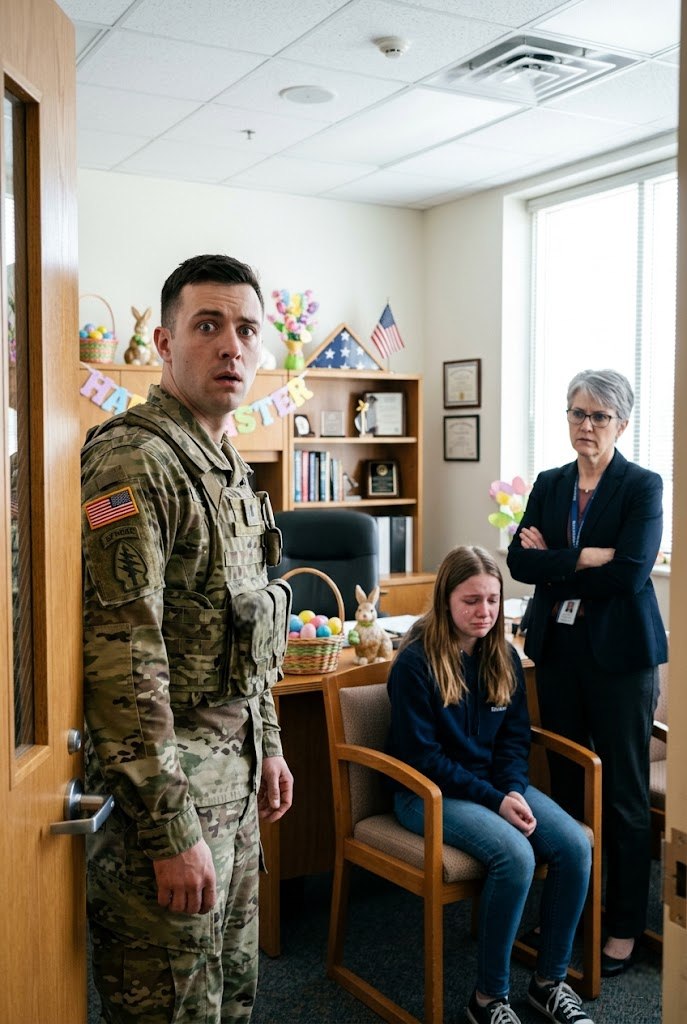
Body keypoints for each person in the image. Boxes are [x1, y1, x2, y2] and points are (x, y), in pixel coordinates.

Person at [81, 254, 294, 1023]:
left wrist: (267, 740)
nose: (230, 346)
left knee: (230, 999)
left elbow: (245, 628)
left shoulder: (228, 467)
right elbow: (120, 665)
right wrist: (170, 830)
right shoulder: (131, 463)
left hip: (234, 792)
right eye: (207, 325)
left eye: (246, 329)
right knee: (172, 1007)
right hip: (166, 812)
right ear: (165, 344)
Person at [387, 545, 595, 1024]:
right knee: (515, 855)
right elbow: (425, 759)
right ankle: (488, 1000)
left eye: (493, 601)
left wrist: (514, 789)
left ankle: (548, 983)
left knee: (574, 846)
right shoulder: (416, 664)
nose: (484, 612)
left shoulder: (502, 655)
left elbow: (514, 740)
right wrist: (496, 799)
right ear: (445, 601)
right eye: (471, 601)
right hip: (425, 793)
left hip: (493, 789)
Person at [507, 368, 667, 977]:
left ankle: (624, 923)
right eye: (577, 413)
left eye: (599, 416)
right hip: (559, 655)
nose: (586, 425)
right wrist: (580, 556)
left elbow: (629, 574)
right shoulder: (550, 484)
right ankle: (574, 907)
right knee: (567, 789)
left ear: (621, 424)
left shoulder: (641, 486)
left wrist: (557, 561)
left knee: (623, 794)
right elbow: (521, 562)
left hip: (622, 661)